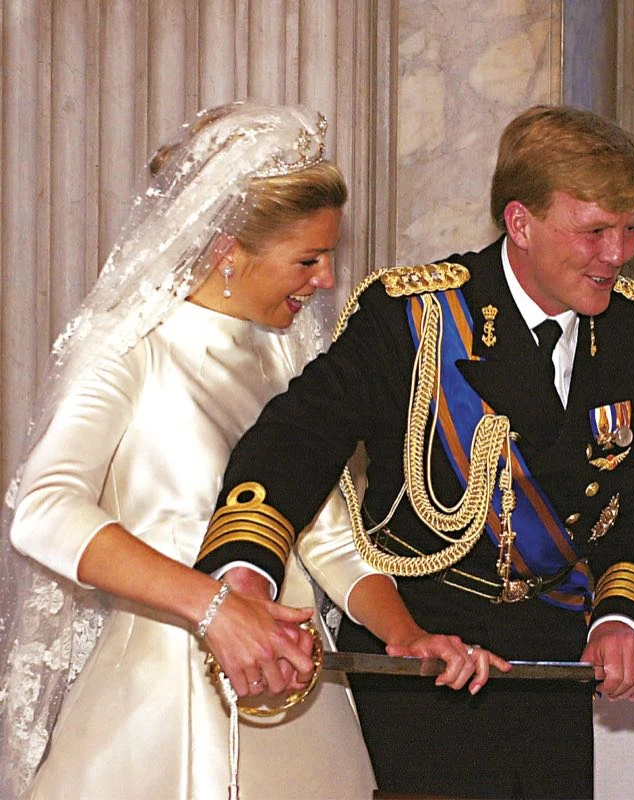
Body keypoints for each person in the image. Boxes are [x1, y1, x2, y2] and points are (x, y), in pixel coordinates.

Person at [0, 101, 504, 800]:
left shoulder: (287, 360)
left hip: (298, 693)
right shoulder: (130, 350)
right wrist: (215, 607)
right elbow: (43, 510)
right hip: (165, 706)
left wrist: (405, 633)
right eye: (308, 259)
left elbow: (327, 537)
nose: (327, 280)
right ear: (226, 251)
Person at [195, 104, 634, 799]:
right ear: (520, 223)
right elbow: (298, 437)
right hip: (421, 658)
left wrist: (619, 617)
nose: (618, 254)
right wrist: (245, 570)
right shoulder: (414, 317)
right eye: (595, 231)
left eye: (630, 229)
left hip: (551, 664)